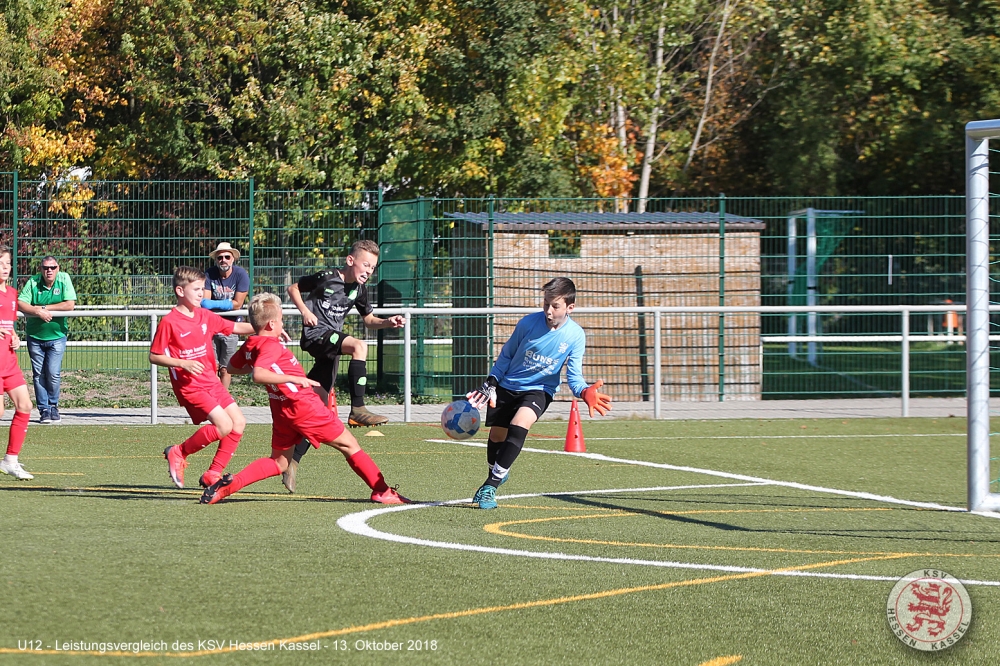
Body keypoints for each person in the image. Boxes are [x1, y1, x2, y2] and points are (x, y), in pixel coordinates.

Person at [200, 292, 409, 505]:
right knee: (349, 445)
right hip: (303, 406)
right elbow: (258, 374)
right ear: (271, 324)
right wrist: (294, 378)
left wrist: (265, 364)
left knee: (279, 462)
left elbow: (233, 367)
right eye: (281, 320)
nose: (283, 324)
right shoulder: (270, 346)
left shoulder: (252, 344)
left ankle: (227, 487)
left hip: (282, 410)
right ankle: (382, 491)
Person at [465, 277, 612, 509]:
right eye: (545, 304)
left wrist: (584, 391)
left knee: (519, 424)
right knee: (496, 436)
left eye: (555, 306)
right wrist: (492, 381)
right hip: (508, 385)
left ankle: (490, 486)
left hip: (540, 390)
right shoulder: (528, 324)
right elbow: (506, 355)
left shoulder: (575, 335)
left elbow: (574, 377)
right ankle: (498, 472)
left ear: (570, 307)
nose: (548, 311)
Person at [281, 239, 404, 492]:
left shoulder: (360, 290)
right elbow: (293, 288)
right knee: (359, 346)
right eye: (366, 265)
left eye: (373, 268)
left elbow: (369, 320)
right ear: (350, 261)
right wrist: (304, 311)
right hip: (316, 336)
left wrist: (388, 322)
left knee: (317, 409)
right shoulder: (326, 278)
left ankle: (292, 462)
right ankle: (357, 409)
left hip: (331, 347)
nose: (369, 271)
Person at [150, 266, 255, 489]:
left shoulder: (204, 315)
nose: (201, 293)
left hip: (211, 381)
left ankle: (212, 474)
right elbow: (154, 355)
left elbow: (235, 327)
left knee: (238, 422)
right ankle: (179, 452)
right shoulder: (170, 322)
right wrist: (182, 363)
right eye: (196, 289)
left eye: (202, 289)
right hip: (190, 385)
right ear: (180, 291)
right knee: (224, 425)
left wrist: (264, 329)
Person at [18, 255, 76, 424]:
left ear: (58, 268)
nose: (49, 271)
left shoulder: (64, 279)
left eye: (52, 267)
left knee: (53, 373)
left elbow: (69, 304)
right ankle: (44, 410)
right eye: (45, 268)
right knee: (38, 374)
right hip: (35, 336)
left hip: (57, 336)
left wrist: (43, 308)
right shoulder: (33, 281)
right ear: (41, 269)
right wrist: (37, 312)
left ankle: (53, 406)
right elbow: (21, 303)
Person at [0, 246, 36, 480]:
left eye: (8, 263)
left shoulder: (12, 293)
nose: (5, 267)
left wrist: (15, 338)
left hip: (9, 362)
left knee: (25, 405)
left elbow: (9, 326)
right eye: (0, 263)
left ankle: (10, 461)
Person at [202, 242, 250, 390]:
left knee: (225, 368)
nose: (223, 260)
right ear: (216, 260)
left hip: (232, 326)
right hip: (212, 325)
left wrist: (213, 304)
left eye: (227, 257)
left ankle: (223, 397)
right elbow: (204, 303)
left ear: (233, 259)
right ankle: (212, 397)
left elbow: (238, 304)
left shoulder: (241, 275)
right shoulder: (209, 274)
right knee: (211, 367)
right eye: (220, 257)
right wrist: (226, 304)